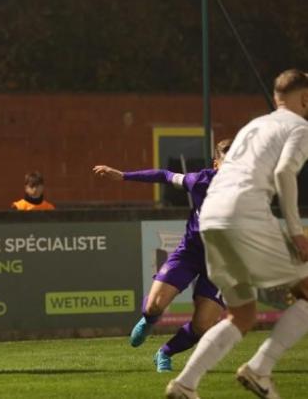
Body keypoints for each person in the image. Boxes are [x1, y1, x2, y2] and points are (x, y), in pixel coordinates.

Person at [166, 69, 308, 399]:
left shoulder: (254, 126)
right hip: (245, 213)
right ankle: (260, 369)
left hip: (211, 216)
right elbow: (285, 171)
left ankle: (186, 384)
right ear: (304, 99)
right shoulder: (300, 127)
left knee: (242, 313)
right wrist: (296, 231)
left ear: (275, 98)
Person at [93, 137, 232, 373]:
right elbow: (165, 175)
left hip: (221, 262)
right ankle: (148, 320)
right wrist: (124, 175)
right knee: (154, 306)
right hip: (191, 252)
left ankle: (164, 353)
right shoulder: (199, 180)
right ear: (216, 165)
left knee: (203, 324)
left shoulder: (251, 188)